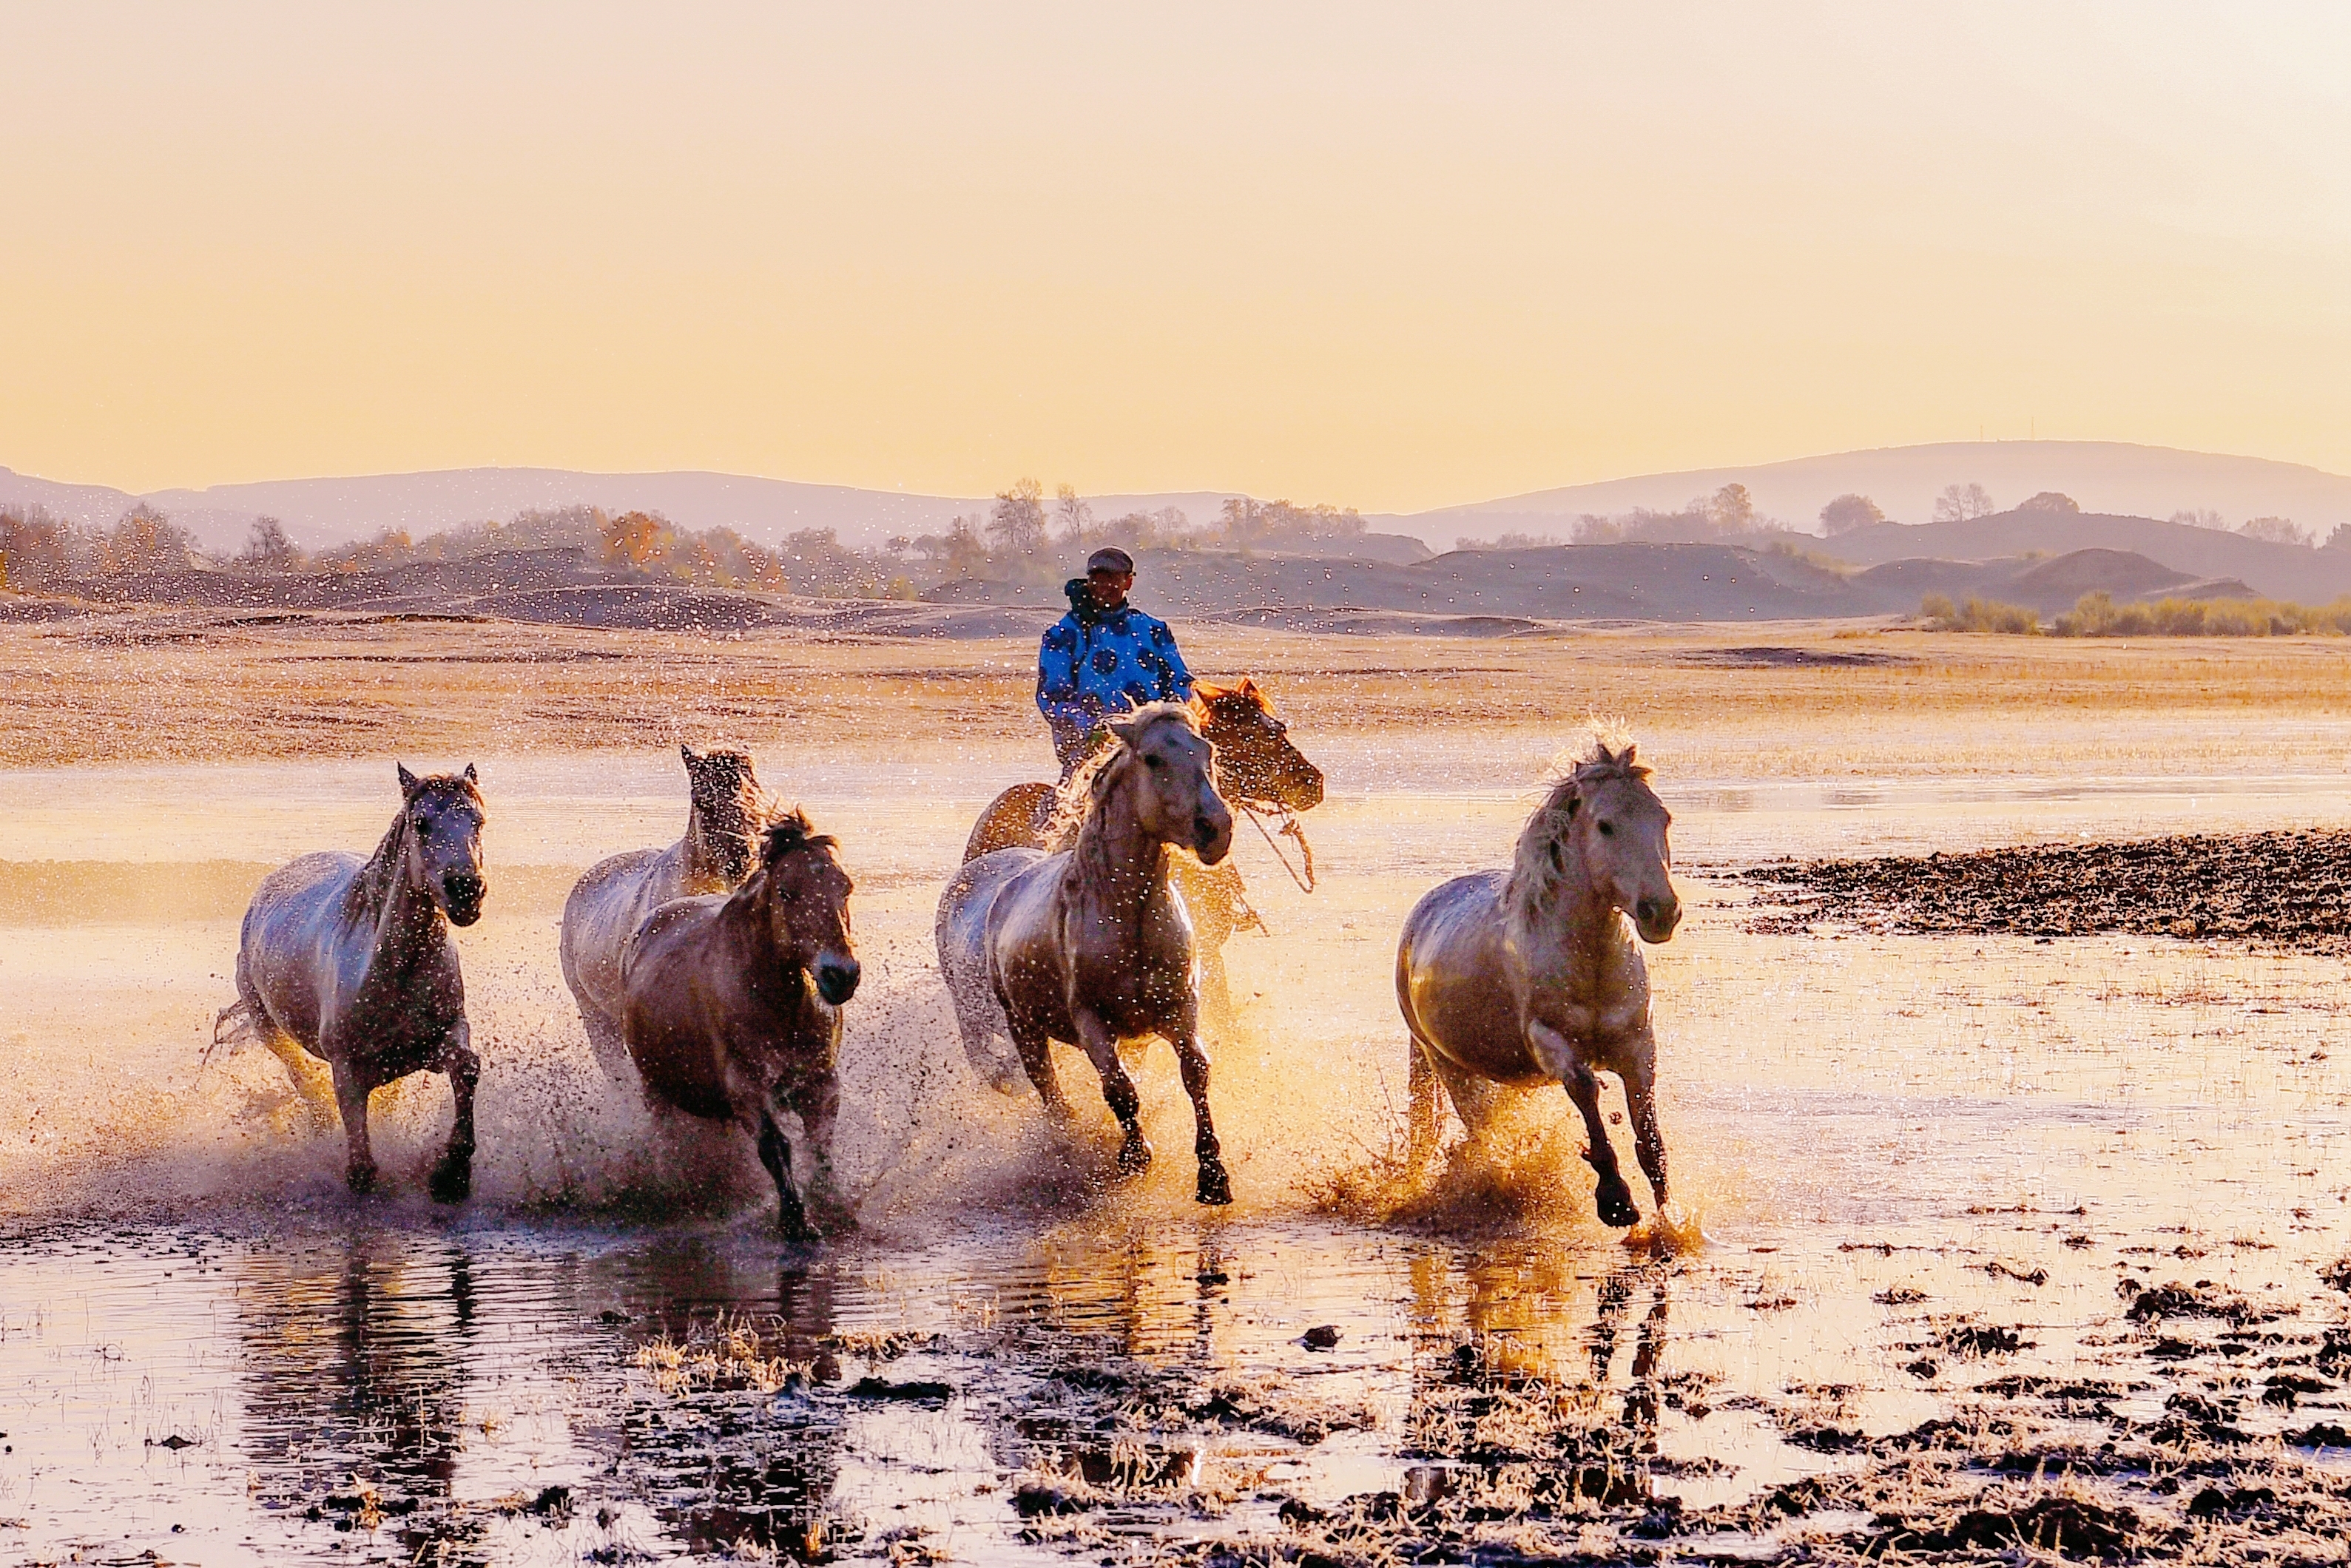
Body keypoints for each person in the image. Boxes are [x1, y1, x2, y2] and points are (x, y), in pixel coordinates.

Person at [1036, 546, 1194, 778]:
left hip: (1156, 747)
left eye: (1112, 580)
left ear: (1128, 582)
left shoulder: (1153, 630)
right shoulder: (1063, 634)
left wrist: (1175, 720)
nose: (1104, 587)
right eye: (1097, 579)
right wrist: (1092, 726)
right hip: (1091, 751)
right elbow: (1052, 696)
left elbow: (1181, 683)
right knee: (1072, 808)